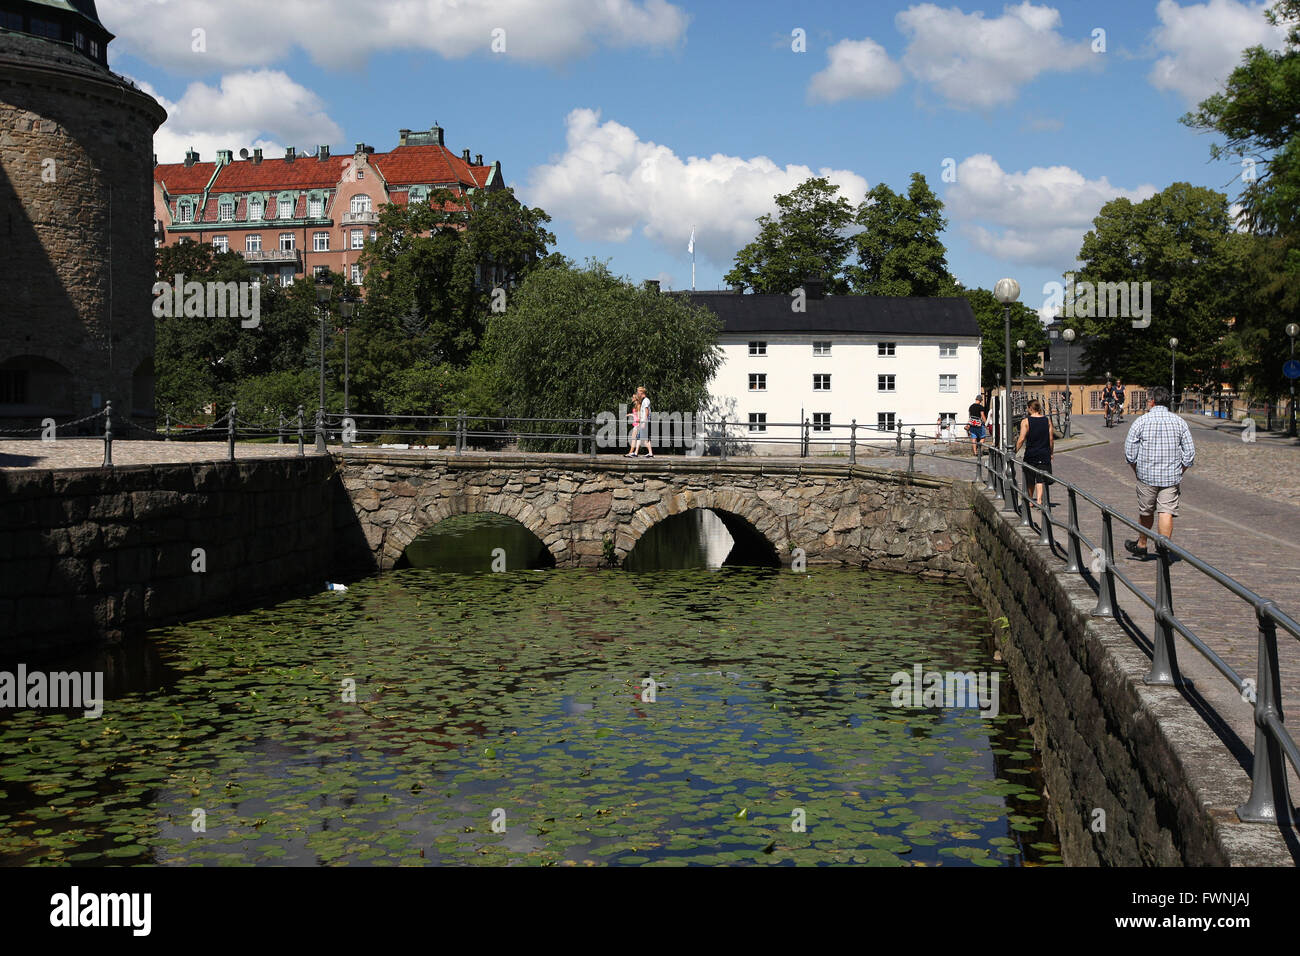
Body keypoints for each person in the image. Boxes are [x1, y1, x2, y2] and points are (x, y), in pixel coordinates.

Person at [1123, 386, 1195, 560]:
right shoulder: (1179, 422)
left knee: (1146, 511)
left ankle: (1141, 545)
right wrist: (1180, 470)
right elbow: (1190, 453)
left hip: (1146, 476)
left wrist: (1137, 471)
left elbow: (1130, 453)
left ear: (1152, 401)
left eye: (1148, 400)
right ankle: (1163, 547)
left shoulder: (1141, 421)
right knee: (1166, 512)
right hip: (1171, 478)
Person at [1015, 398, 1054, 508]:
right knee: (1041, 478)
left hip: (1031, 453)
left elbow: (1021, 439)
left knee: (1030, 478)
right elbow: (1051, 439)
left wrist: (1014, 451)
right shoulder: (1047, 421)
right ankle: (1040, 500)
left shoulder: (1026, 421)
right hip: (1044, 453)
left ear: (1030, 408)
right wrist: (1051, 452)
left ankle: (1031, 500)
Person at [628, 386, 653, 457]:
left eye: (638, 392)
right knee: (639, 437)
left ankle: (650, 453)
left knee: (645, 440)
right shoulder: (644, 400)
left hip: (645, 422)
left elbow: (647, 412)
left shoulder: (646, 401)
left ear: (641, 392)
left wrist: (644, 422)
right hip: (643, 422)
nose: (637, 393)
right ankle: (636, 453)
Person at [625, 391, 641, 457]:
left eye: (633, 397)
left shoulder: (638, 405)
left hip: (637, 424)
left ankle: (631, 452)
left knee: (633, 439)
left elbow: (639, 415)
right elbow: (635, 414)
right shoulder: (636, 405)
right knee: (634, 438)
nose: (632, 398)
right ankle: (632, 452)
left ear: (635, 398)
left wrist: (639, 423)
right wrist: (630, 414)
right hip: (636, 424)